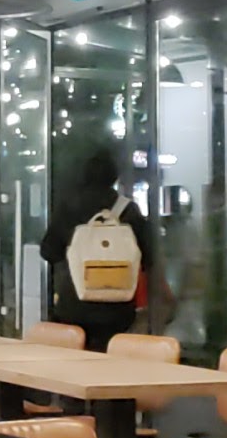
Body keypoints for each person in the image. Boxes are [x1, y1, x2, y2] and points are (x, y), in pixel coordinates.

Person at [40, 148, 151, 350]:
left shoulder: (70, 208)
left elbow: (49, 251)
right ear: (114, 176)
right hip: (119, 309)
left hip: (74, 306)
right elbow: (148, 258)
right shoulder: (129, 211)